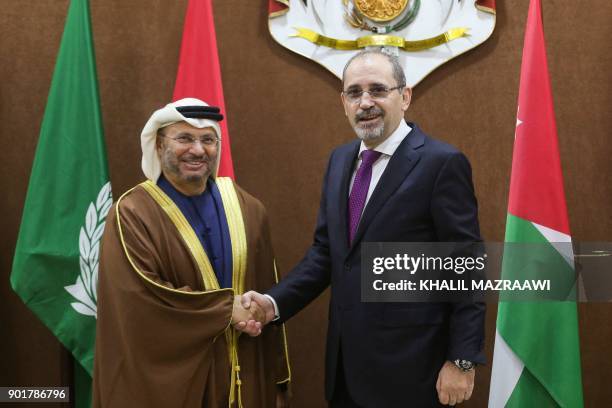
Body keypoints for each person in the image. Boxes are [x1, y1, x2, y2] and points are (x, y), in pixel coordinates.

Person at [242, 50, 485, 407]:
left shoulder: (441, 163)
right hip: (345, 369)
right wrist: (272, 303)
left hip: (415, 372)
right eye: (354, 92)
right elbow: (328, 254)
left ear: (404, 96)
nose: (365, 102)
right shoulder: (340, 161)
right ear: (343, 102)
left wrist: (461, 360)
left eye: (377, 90)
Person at [93, 98, 291, 408]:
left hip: (247, 377)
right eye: (184, 138)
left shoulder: (248, 208)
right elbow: (141, 302)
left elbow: (267, 292)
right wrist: (226, 310)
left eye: (208, 139)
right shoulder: (132, 214)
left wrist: (278, 381)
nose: (198, 150)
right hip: (175, 384)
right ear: (159, 146)